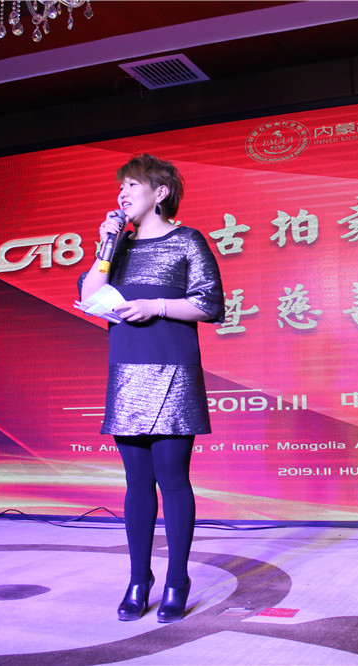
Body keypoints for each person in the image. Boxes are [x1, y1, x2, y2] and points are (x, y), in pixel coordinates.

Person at [76, 153, 224, 623]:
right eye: (120, 187)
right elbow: (89, 296)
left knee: (173, 479)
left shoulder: (187, 240)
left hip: (173, 372)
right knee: (136, 483)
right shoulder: (117, 246)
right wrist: (106, 244)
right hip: (127, 372)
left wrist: (155, 305)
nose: (122, 194)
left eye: (132, 186)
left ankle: (177, 579)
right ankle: (139, 580)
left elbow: (210, 304)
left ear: (160, 193)